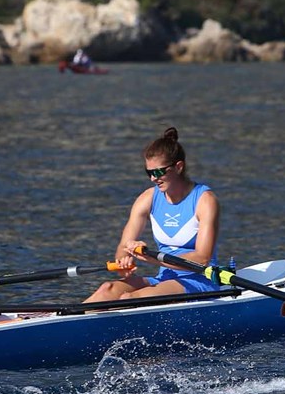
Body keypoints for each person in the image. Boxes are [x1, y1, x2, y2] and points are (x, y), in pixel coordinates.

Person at [85, 126, 223, 303]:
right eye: (149, 172)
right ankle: (64, 324)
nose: (153, 178)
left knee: (129, 298)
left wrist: (150, 258)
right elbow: (123, 246)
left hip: (199, 281)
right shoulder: (147, 198)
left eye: (158, 172)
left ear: (179, 167)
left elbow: (202, 258)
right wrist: (124, 262)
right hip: (164, 280)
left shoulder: (205, 200)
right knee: (107, 289)